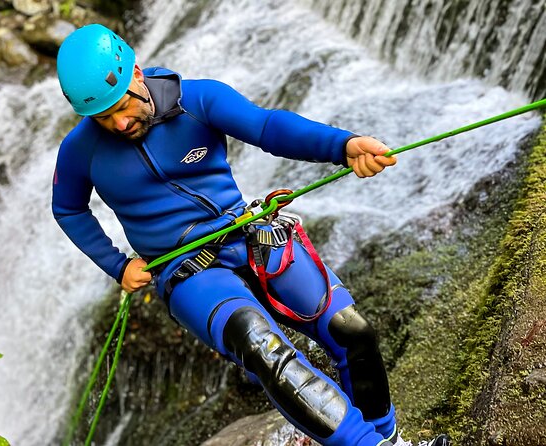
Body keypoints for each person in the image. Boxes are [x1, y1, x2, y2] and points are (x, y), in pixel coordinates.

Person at [52, 24, 450, 446]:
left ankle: (389, 438)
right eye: (102, 116)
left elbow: (268, 128)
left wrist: (343, 146)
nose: (118, 123)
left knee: (352, 331)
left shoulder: (198, 100)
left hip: (248, 234)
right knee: (262, 349)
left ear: (135, 73)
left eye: (121, 107)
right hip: (184, 270)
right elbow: (68, 208)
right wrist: (118, 265)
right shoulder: (81, 149)